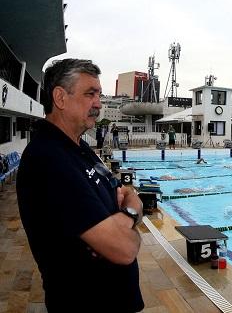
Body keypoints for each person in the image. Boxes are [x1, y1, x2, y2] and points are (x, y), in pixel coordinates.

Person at [16, 59, 144, 312]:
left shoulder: (79, 147)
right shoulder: (49, 159)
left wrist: (118, 220)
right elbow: (125, 248)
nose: (98, 103)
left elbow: (123, 192)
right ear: (60, 98)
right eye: (90, 94)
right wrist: (130, 213)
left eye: (99, 94)